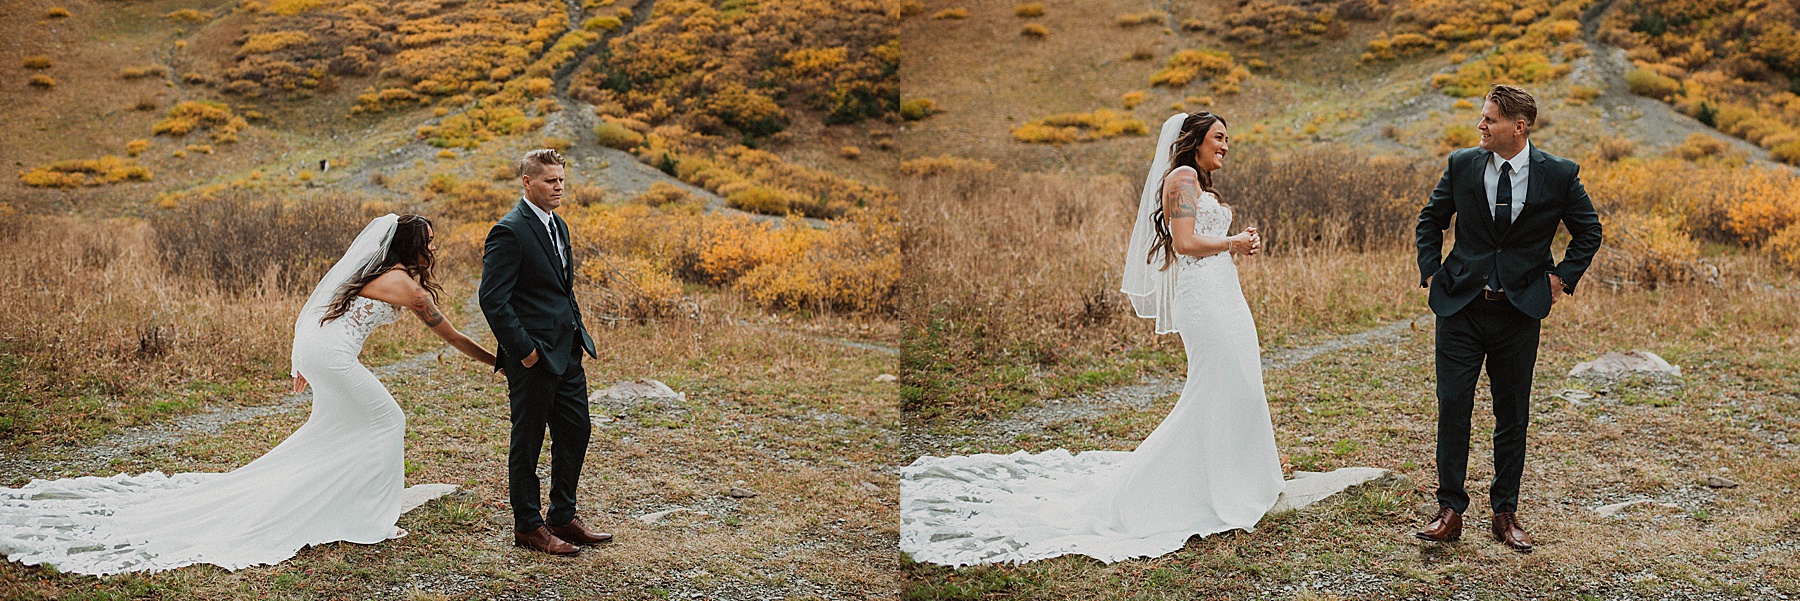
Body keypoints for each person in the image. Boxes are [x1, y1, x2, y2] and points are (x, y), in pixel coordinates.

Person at [0, 214, 495, 575]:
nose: (435, 247)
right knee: (388, 420)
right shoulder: (410, 289)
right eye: (430, 241)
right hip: (332, 355)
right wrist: (498, 362)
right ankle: (372, 512)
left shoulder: (375, 274)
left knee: (345, 426)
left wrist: (300, 356)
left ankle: (356, 497)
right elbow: (452, 337)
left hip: (321, 348)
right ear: (412, 246)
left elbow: (315, 306)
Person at [898, 112, 1280, 565]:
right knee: (1214, 388)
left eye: (1228, 138)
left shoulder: (1199, 183)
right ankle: (1174, 488)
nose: (1226, 144)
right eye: (1219, 137)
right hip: (1205, 303)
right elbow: (1184, 243)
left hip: (1225, 294)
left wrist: (1240, 244)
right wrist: (1232, 242)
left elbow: (1205, 238)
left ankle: (1238, 477)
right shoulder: (1179, 178)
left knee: (1240, 381)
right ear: (1193, 140)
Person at [1413, 84, 1603, 553]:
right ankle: (1450, 510)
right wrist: (1431, 272)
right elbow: (1430, 219)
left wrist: (1561, 279)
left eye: (1490, 119)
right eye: (1482, 117)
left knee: (1511, 413)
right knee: (1453, 405)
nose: (1481, 125)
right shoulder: (1462, 164)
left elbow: (1589, 231)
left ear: (1518, 127)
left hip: (1519, 312)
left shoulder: (1558, 174)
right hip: (1460, 307)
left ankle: (1505, 514)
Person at [479, 149, 610, 556]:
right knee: (529, 440)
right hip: (532, 359)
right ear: (527, 182)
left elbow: (561, 288)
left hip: (568, 351)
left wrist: (576, 329)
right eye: (550, 180)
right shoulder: (509, 231)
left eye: (562, 180)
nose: (559, 187)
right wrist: (526, 352)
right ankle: (528, 527)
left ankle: (562, 517)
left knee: (576, 430)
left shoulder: (560, 225)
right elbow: (492, 300)